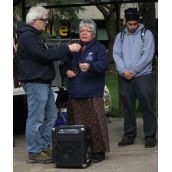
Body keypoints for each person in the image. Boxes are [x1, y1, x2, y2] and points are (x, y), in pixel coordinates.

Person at [16, 5, 81, 163]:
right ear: (34, 21)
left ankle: (44, 147)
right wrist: (67, 48)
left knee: (51, 115)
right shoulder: (27, 36)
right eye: (44, 20)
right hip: (35, 82)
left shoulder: (34, 36)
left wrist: (58, 49)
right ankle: (34, 151)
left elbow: (44, 52)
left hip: (42, 82)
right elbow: (44, 55)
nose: (46, 22)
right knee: (36, 118)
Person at [62, 19, 110, 162]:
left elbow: (103, 66)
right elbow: (63, 65)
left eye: (87, 30)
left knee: (95, 124)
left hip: (92, 93)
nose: (84, 32)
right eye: (82, 30)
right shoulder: (74, 48)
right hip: (75, 92)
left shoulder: (99, 48)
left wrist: (90, 66)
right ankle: (77, 149)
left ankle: (98, 152)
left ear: (93, 34)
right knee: (76, 124)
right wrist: (67, 72)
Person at [113, 8, 157, 148]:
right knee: (128, 107)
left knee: (147, 107)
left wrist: (134, 70)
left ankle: (150, 137)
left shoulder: (147, 34)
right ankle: (129, 135)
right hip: (125, 76)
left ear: (138, 22)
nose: (132, 27)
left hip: (143, 76)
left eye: (134, 24)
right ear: (126, 22)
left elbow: (148, 56)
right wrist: (122, 70)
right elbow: (116, 54)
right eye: (129, 24)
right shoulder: (120, 36)